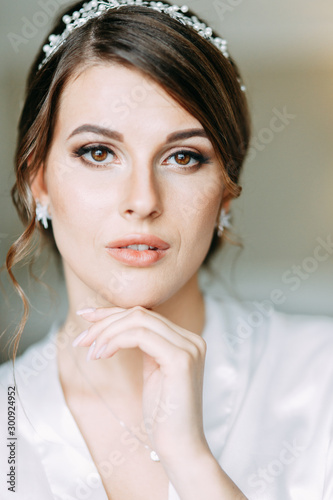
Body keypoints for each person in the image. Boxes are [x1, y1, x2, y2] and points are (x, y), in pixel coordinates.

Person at [0, 1, 332, 499]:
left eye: (182, 157)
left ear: (225, 189)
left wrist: (191, 460)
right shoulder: (10, 420)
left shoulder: (320, 377)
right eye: (98, 153)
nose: (142, 200)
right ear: (38, 181)